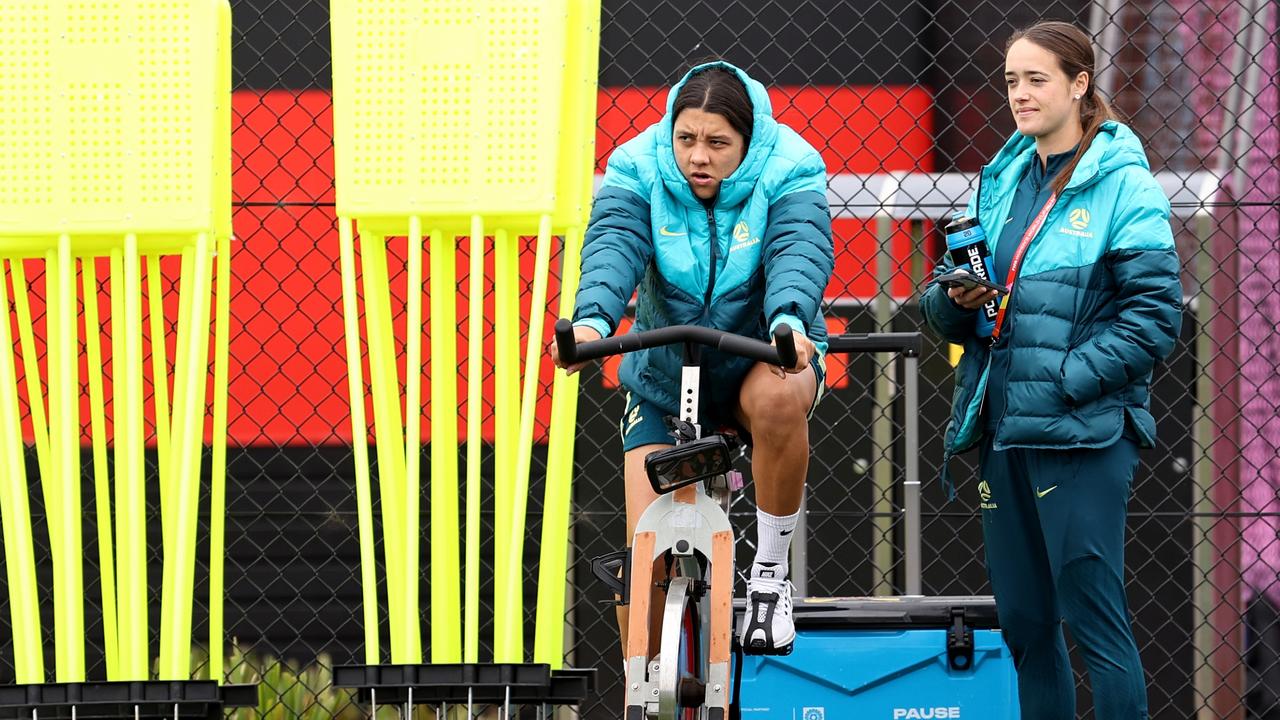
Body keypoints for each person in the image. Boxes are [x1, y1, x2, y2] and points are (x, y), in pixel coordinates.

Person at [920, 21, 1182, 719]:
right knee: (1028, 630)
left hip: (1083, 433)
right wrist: (953, 301)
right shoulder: (1002, 177)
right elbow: (947, 306)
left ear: (1079, 83)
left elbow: (1156, 320)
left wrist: (1064, 380)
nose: (1020, 94)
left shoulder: (1126, 186)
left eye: (1037, 79)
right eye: (1011, 81)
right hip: (1002, 425)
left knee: (1097, 628)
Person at [549, 60, 834, 655]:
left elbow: (798, 249)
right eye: (686, 139)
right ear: (669, 133)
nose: (697, 157)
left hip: (763, 357)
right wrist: (594, 320)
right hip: (667, 375)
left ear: (748, 142)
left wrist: (788, 321)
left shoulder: (792, 164)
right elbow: (613, 246)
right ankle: (640, 690)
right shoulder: (636, 164)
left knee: (781, 396)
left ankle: (769, 578)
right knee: (645, 559)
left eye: (717, 143)